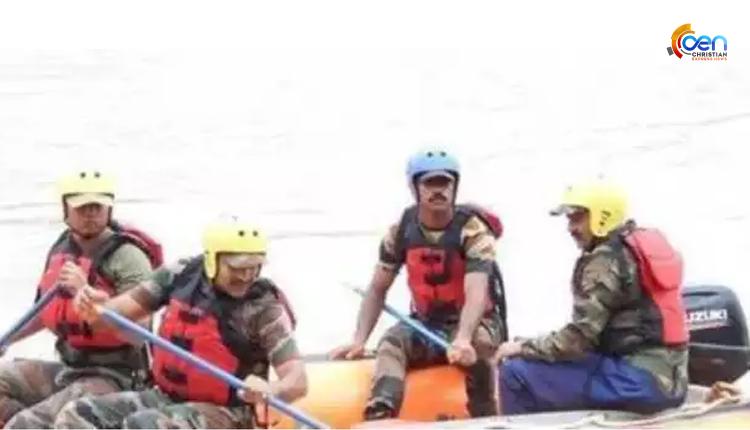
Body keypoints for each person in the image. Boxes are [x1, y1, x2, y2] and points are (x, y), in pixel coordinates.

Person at [55, 218, 308, 429]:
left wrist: (272, 390)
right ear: (212, 259)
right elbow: (119, 312)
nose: (246, 276)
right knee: (78, 413)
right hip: (166, 397)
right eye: (237, 268)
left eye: (254, 267)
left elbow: (297, 380)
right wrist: (98, 308)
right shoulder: (180, 274)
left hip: (229, 413)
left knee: (143, 425)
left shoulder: (263, 308)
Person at [330, 149, 507, 419]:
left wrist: (463, 338)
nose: (438, 191)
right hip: (427, 323)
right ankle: (382, 411)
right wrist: (359, 340)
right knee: (391, 343)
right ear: (414, 187)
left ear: (455, 186)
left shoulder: (473, 231)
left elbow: (477, 292)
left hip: (475, 323)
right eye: (429, 183)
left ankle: (486, 415)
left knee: (479, 344)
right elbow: (378, 288)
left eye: (445, 183)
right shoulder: (401, 231)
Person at [496, 180, 689, 415]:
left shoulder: (604, 261)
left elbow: (578, 340)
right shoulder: (634, 248)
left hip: (634, 382)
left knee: (515, 373)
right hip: (672, 381)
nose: (571, 228)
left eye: (577, 218)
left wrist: (521, 347)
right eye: (569, 220)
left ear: (601, 217)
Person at [0, 170, 161, 428]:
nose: (90, 215)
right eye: (82, 208)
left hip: (115, 376)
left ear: (109, 209)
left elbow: (138, 333)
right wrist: (7, 339)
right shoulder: (62, 248)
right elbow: (43, 313)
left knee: (27, 424)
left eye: (97, 207)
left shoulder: (129, 257)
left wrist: (84, 293)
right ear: (65, 209)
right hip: (70, 368)